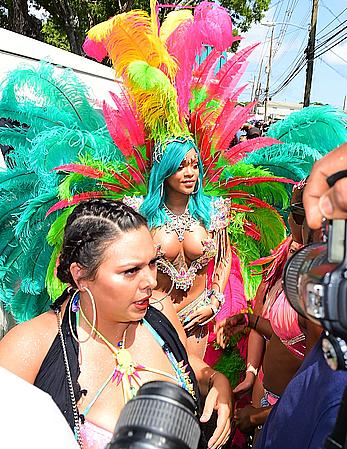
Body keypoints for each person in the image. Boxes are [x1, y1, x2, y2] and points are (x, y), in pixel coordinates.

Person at [0, 199, 232, 449]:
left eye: (152, 263)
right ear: (80, 275)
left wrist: (217, 381)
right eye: (131, 271)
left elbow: (183, 364)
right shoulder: (28, 347)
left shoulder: (160, 309)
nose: (151, 282)